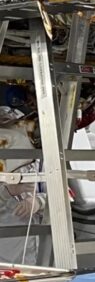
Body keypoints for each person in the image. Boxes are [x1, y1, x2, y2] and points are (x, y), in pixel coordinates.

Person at [0, 106, 45, 264]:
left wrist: (39, 202)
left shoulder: (41, 161)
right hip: (5, 255)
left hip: (33, 255)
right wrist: (6, 191)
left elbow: (66, 194)